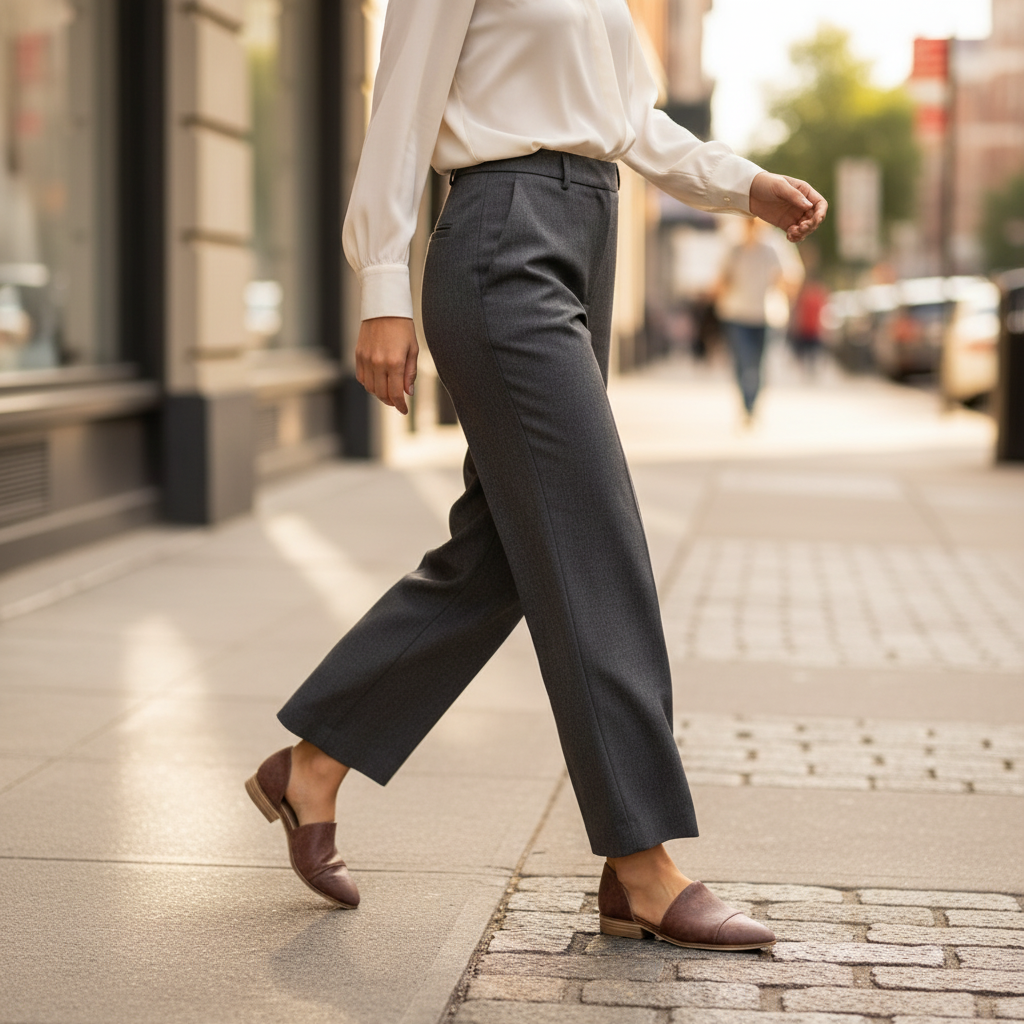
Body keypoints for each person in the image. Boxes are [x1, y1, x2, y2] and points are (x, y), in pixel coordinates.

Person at [246, 0, 826, 950]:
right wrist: (383, 285)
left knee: (503, 553)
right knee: (592, 536)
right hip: (501, 243)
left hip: (588, 235)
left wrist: (745, 184)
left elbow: (633, 119)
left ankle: (312, 762)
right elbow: (398, 111)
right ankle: (641, 863)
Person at [715, 218, 787, 422]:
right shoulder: (734, 249)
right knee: (742, 361)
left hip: (763, 315)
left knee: (758, 363)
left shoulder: (771, 250)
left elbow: (781, 279)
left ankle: (753, 402)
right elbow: (722, 278)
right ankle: (746, 403)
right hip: (736, 314)